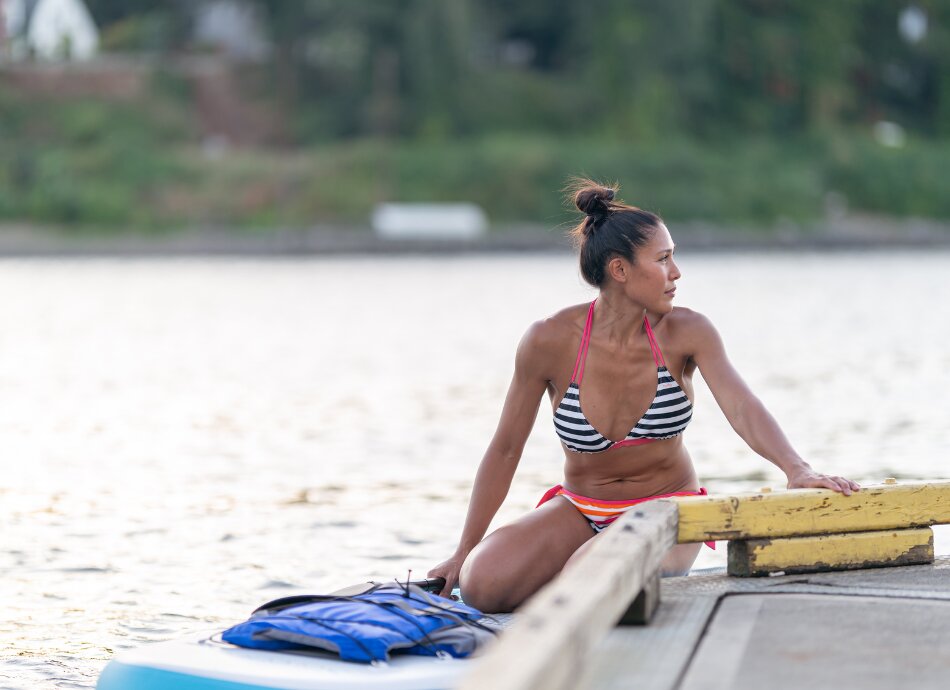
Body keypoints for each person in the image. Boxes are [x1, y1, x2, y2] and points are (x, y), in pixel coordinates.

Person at [427, 180, 860, 613]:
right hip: (580, 508)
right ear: (620, 270)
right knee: (482, 583)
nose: (676, 273)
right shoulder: (549, 340)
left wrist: (797, 469)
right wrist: (464, 549)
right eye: (664, 259)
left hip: (666, 512)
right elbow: (505, 449)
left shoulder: (687, 332)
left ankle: (585, 592)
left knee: (588, 575)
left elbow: (742, 406)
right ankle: (581, 590)